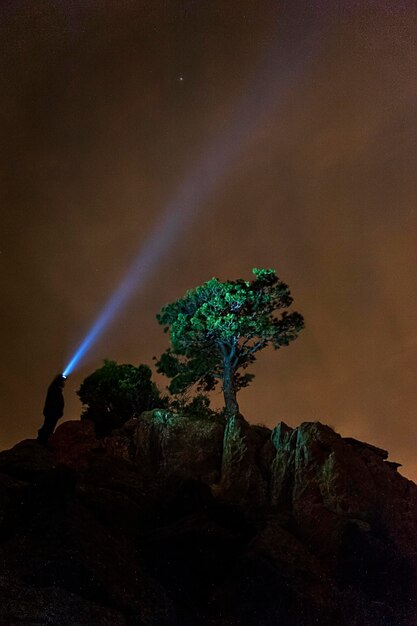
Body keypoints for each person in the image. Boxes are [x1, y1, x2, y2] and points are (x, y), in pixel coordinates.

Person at [37, 373, 66, 444]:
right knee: (48, 426)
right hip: (52, 412)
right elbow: (54, 401)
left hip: (53, 412)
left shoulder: (55, 389)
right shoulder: (54, 389)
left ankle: (43, 439)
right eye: (62, 381)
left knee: (49, 426)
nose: (64, 383)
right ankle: (42, 440)